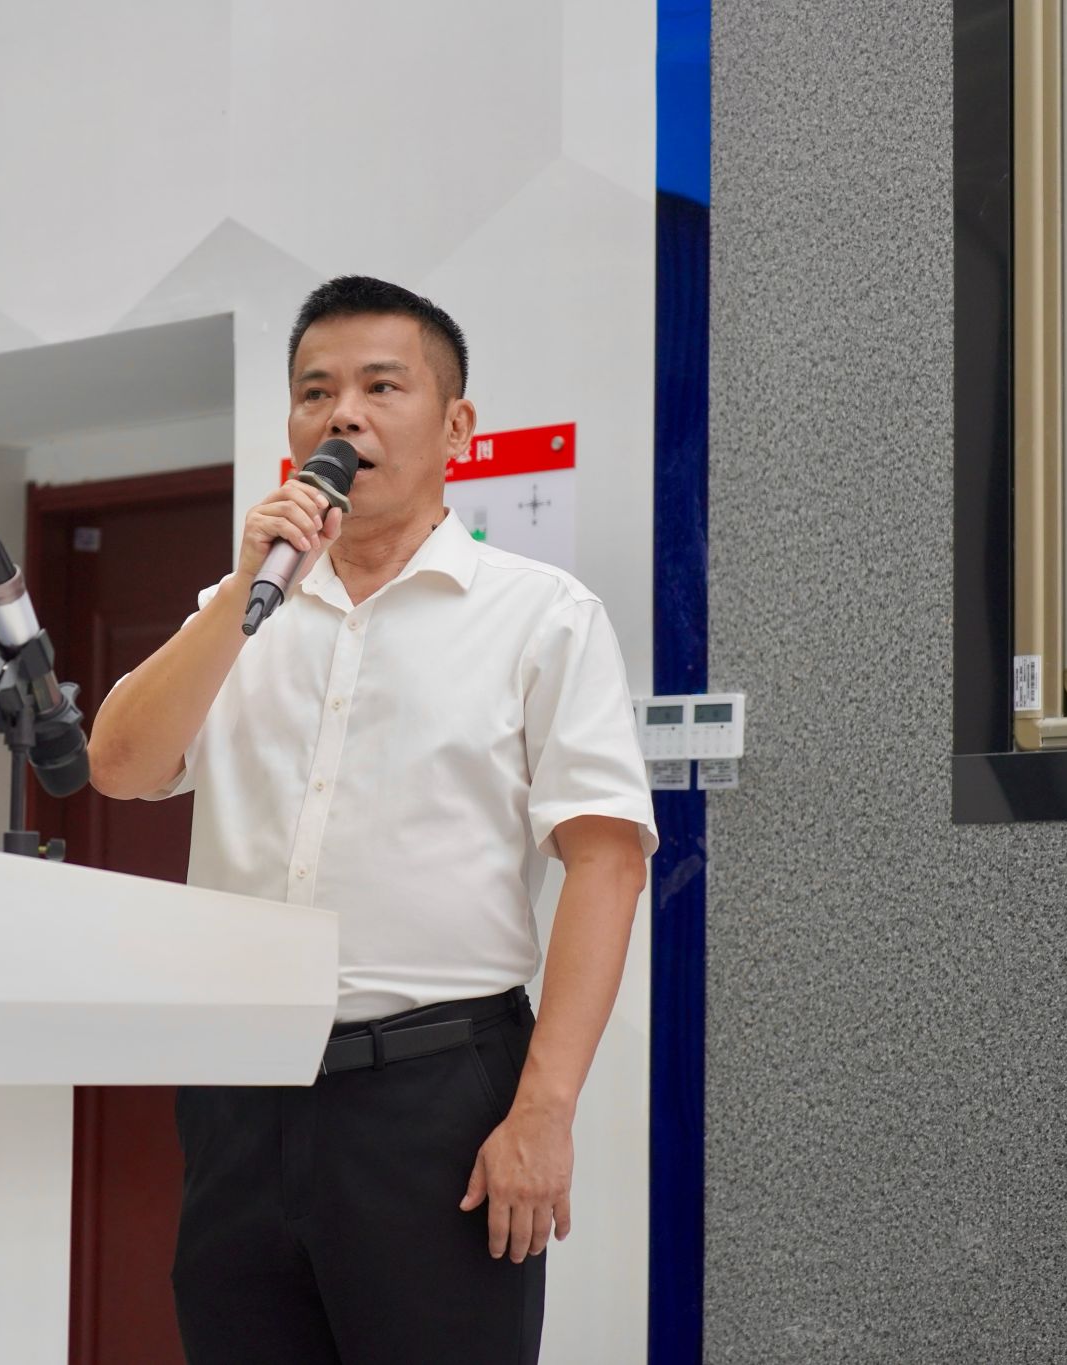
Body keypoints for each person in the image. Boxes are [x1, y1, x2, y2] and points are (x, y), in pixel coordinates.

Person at [88, 276, 658, 1364]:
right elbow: (117, 768)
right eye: (315, 392)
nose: (341, 414)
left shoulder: (540, 615)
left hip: (435, 1098)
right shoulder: (241, 612)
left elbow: (606, 864)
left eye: (380, 387)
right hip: (238, 1095)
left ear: (455, 426)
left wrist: (543, 1110)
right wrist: (240, 592)